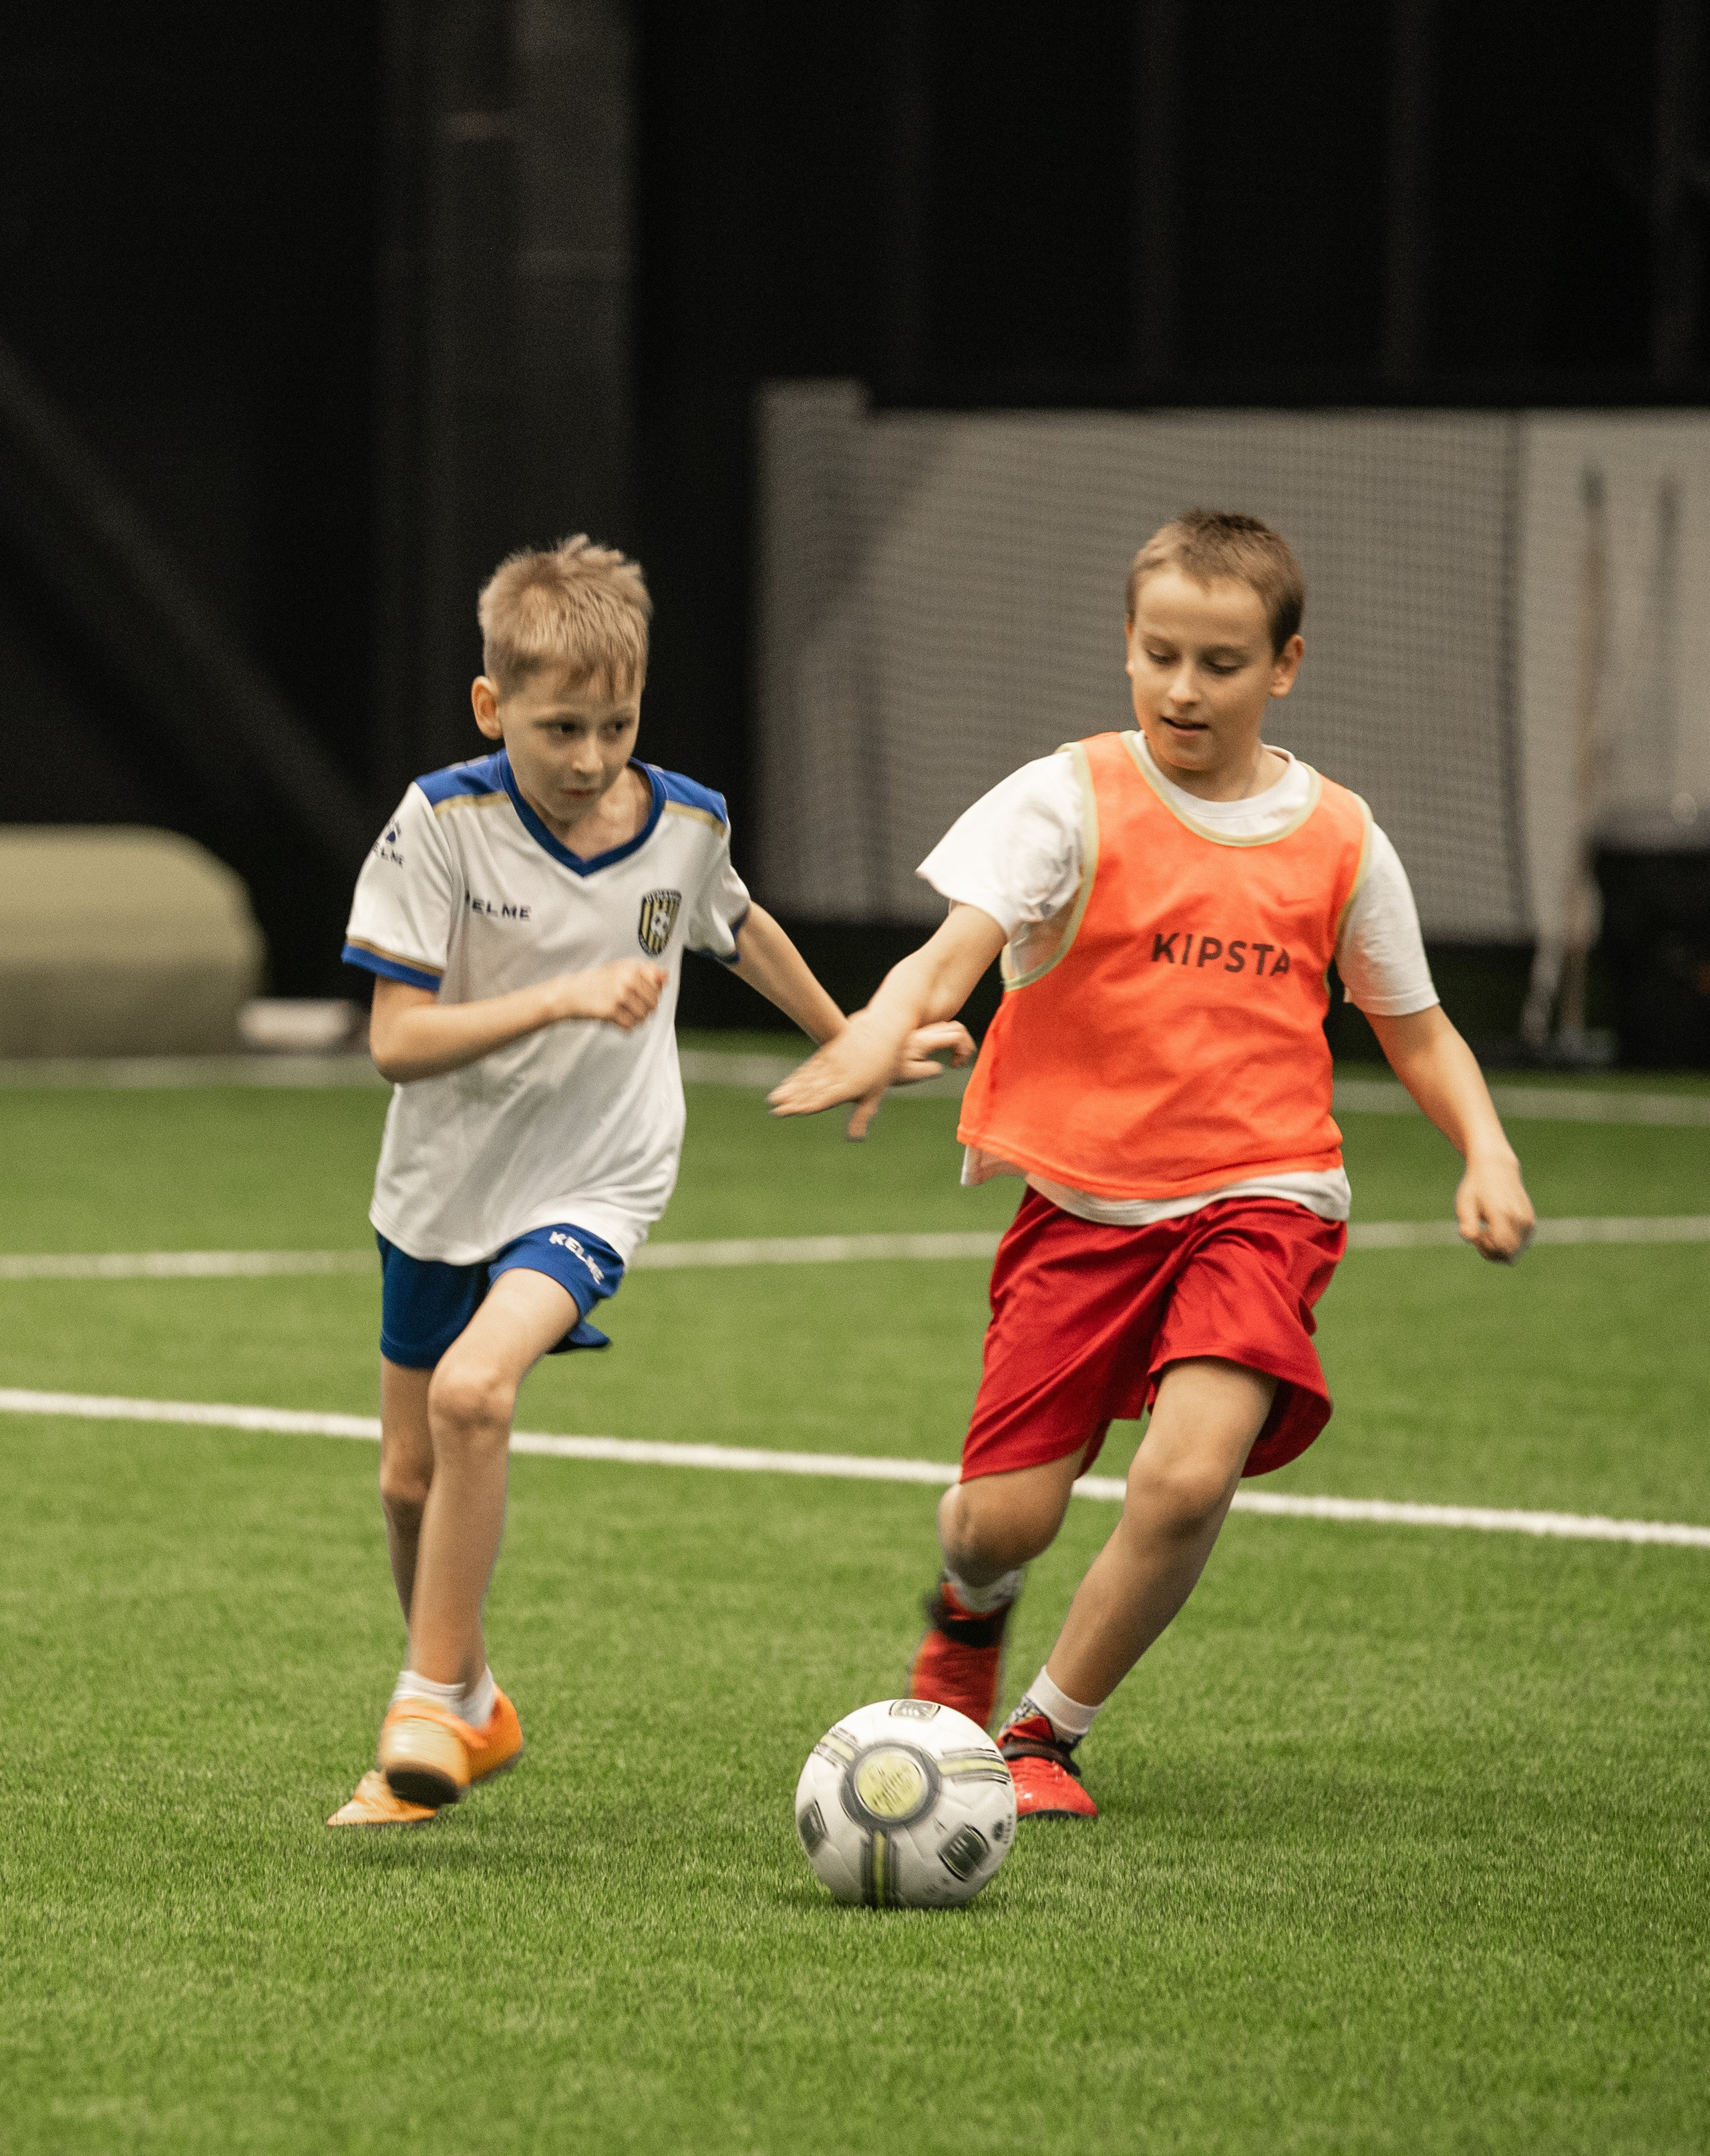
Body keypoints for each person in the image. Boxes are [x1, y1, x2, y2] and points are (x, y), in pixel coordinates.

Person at [770, 510, 1536, 1821]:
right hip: (1079, 1206)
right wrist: (875, 1033)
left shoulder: (1340, 838)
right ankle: (969, 1609)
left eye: (1220, 663)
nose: (1183, 687)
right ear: (1125, 646)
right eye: (1158, 653)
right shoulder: (1065, 797)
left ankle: (1042, 1734)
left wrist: (1487, 1152)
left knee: (1188, 1475)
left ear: (1283, 664)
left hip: (1262, 1197)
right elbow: (950, 954)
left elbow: (1415, 1030)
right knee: (997, 1520)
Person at [331, 534, 965, 1825]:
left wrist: (853, 1040)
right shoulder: (439, 824)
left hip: (600, 1177)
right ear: (490, 707)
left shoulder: (683, 821)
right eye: (559, 728)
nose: (589, 758)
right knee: (407, 1480)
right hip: (441, 1183)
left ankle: (419, 1703)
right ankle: (472, 1703)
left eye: (615, 725)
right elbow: (397, 1043)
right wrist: (562, 997)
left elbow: (739, 929)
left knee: (474, 1393)